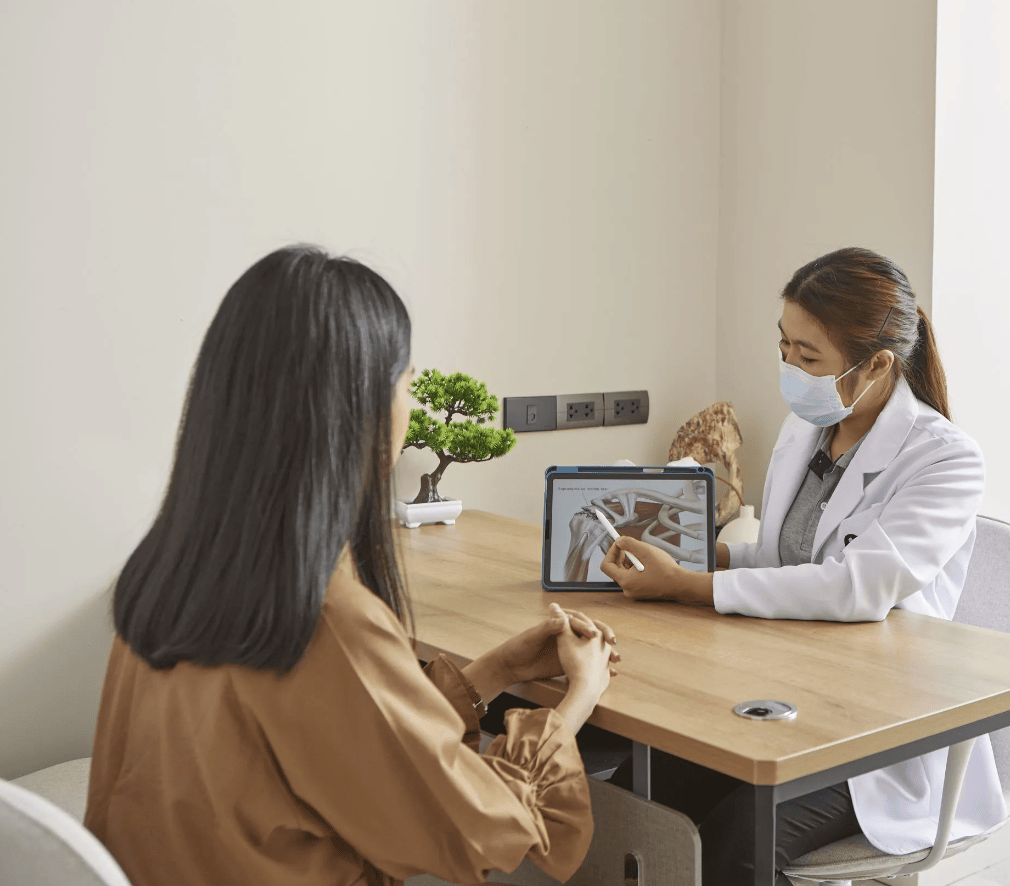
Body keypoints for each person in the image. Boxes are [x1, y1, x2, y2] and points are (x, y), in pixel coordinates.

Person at [86, 246, 619, 886]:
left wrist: (496, 670)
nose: (410, 404)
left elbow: (349, 749)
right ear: (356, 409)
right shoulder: (320, 615)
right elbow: (490, 833)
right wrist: (579, 699)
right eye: (405, 381)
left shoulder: (172, 570)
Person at [601, 247, 1007, 885]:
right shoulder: (805, 429)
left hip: (874, 731)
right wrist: (701, 554)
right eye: (784, 345)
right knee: (638, 796)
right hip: (778, 695)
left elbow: (857, 587)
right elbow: (782, 556)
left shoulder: (945, 458)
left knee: (740, 841)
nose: (789, 365)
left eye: (808, 355)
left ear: (877, 364)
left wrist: (689, 585)